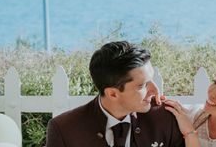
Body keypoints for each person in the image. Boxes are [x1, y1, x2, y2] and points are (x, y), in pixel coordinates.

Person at [46, 41, 184, 147]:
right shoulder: (64, 129)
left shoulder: (165, 118)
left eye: (151, 80)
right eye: (142, 85)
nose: (155, 91)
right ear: (112, 94)